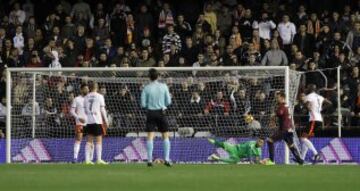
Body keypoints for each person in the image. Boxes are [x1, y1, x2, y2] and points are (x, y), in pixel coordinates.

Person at [141, 68, 172, 167]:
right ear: (158, 76)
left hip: (150, 112)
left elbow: (142, 104)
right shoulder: (164, 86)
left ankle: (149, 160)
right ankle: (166, 159)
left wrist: (149, 105)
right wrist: (162, 104)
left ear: (149, 77)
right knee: (165, 136)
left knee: (150, 136)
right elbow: (168, 102)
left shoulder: (146, 88)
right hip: (161, 112)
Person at [266, 92, 304, 165]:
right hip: (289, 129)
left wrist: (274, 114)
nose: (277, 98)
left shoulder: (282, 106)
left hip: (284, 129)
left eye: (278, 97)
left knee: (270, 140)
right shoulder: (287, 105)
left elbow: (280, 113)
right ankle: (300, 160)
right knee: (291, 145)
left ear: (282, 97)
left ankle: (271, 161)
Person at [301, 84, 331, 163]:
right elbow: (329, 103)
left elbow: (306, 104)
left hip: (313, 120)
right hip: (319, 120)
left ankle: (316, 154)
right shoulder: (319, 96)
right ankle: (301, 159)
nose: (307, 88)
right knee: (306, 139)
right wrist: (320, 109)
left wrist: (306, 106)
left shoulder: (309, 96)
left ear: (310, 89)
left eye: (308, 87)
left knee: (303, 138)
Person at [83, 82, 109, 165]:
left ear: (89, 88)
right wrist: (106, 120)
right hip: (97, 120)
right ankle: (99, 159)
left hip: (89, 121)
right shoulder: (100, 96)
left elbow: (85, 110)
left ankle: (87, 160)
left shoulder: (86, 97)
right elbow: (102, 109)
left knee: (89, 141)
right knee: (99, 140)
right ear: (96, 87)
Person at [70, 84, 92, 163]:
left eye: (88, 89)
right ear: (81, 90)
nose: (87, 90)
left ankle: (89, 159)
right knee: (79, 139)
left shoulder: (90, 99)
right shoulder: (77, 99)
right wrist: (79, 118)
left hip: (90, 122)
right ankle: (75, 158)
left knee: (90, 141)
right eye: (85, 89)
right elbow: (72, 111)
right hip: (80, 123)